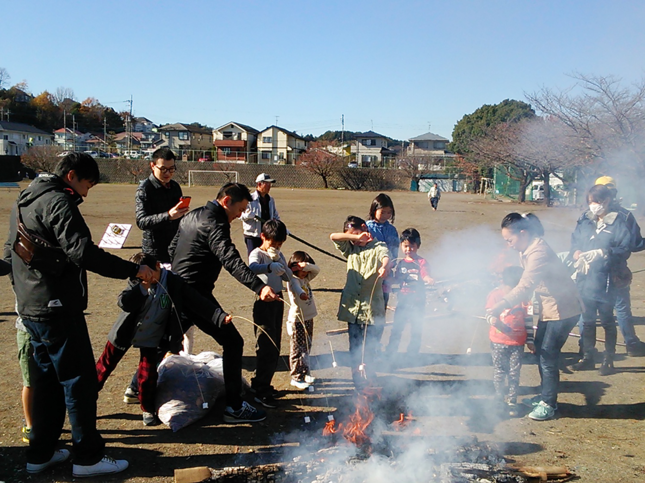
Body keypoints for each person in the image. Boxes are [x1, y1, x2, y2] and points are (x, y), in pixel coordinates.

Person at [4, 153, 155, 477]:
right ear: (72, 176)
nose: (86, 194)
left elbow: (9, 250)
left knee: (46, 382)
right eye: (87, 185)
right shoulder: (59, 201)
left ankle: (40, 452)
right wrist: (136, 269)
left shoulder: (25, 197)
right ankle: (87, 457)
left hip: (31, 307)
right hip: (57, 306)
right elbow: (83, 252)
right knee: (79, 382)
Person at [169, 182, 278, 423]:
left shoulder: (193, 215)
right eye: (239, 210)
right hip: (194, 293)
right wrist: (259, 287)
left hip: (177, 288)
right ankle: (235, 406)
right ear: (226, 200)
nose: (240, 216)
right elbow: (230, 259)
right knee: (233, 341)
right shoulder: (215, 223)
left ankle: (137, 389)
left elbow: (172, 248)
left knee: (164, 339)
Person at [95, 253, 231, 426]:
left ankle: (147, 408)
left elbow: (197, 301)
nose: (148, 278)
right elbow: (124, 302)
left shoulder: (173, 282)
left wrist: (219, 316)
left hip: (153, 334)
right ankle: (87, 399)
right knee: (104, 366)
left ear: (158, 266)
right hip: (126, 331)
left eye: (149, 274)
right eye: (141, 275)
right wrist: (142, 287)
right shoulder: (137, 281)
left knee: (148, 374)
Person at [488, 213, 581, 421]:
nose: (509, 244)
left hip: (564, 309)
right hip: (550, 308)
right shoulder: (527, 249)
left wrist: (501, 304)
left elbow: (525, 286)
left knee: (548, 355)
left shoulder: (538, 251)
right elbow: (523, 277)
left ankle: (549, 403)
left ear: (523, 233)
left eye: (509, 240)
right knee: (540, 350)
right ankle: (546, 395)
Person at [128, 147, 192, 405]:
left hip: (173, 253)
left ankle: (168, 368)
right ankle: (138, 385)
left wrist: (179, 222)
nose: (167, 173)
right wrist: (168, 215)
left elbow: (177, 222)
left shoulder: (174, 187)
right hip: (153, 258)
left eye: (172, 169)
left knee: (173, 317)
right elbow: (141, 221)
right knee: (156, 320)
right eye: (163, 169)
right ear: (152, 166)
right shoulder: (144, 189)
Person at [569, 184, 631, 375]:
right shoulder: (585, 220)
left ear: (606, 201)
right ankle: (588, 357)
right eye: (590, 202)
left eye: (595, 202)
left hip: (607, 281)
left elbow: (625, 249)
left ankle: (608, 359)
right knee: (587, 321)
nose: (592, 206)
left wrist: (604, 252)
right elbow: (575, 242)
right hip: (585, 279)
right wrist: (576, 253)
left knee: (606, 320)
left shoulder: (618, 222)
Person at [248, 220, 306, 406]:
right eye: (274, 244)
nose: (277, 247)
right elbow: (252, 268)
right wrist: (269, 267)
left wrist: (293, 280)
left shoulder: (278, 256)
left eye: (280, 245)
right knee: (265, 345)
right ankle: (259, 389)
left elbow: (288, 275)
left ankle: (265, 384)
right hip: (263, 302)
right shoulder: (258, 253)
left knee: (275, 346)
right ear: (263, 237)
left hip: (277, 301)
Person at [331, 216, 390, 391]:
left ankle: (370, 378)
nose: (354, 240)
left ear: (364, 227)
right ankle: (358, 380)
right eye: (350, 237)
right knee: (355, 346)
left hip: (371, 308)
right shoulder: (351, 248)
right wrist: (355, 238)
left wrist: (384, 267)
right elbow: (333, 237)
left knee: (370, 346)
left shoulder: (378, 246)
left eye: (356, 233)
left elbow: (385, 256)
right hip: (353, 308)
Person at [594, 176, 645, 357]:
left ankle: (586, 349)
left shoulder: (587, 215)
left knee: (589, 309)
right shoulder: (624, 215)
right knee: (621, 307)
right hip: (616, 270)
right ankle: (631, 343)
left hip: (592, 271)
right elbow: (635, 243)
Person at [485, 266, 533, 417]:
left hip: (517, 343)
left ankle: (512, 401)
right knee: (499, 372)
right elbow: (487, 313)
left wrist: (530, 340)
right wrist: (493, 320)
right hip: (498, 341)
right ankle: (499, 400)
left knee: (514, 373)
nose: (511, 291)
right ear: (503, 282)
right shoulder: (495, 295)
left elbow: (529, 320)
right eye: (509, 287)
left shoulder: (524, 299)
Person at [386, 228, 434, 355]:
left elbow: (425, 274)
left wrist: (427, 278)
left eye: (412, 246)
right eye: (406, 246)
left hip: (417, 302)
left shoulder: (421, 262)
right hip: (402, 302)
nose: (408, 250)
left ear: (417, 246)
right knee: (397, 327)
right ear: (401, 246)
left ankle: (412, 353)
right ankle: (391, 351)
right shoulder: (400, 263)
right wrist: (388, 279)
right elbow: (396, 279)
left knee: (416, 328)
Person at [286, 250, 320, 390]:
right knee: (297, 348)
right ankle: (296, 376)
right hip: (297, 319)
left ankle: (305, 372)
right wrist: (301, 295)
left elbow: (317, 270)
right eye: (301, 270)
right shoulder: (293, 279)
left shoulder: (306, 277)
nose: (305, 273)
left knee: (307, 346)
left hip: (308, 317)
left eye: (306, 270)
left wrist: (305, 266)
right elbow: (297, 289)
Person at [241, 173, 281, 255]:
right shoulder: (250, 199)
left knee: (266, 258)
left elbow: (275, 215)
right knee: (254, 259)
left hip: (266, 235)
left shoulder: (270, 200)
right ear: (259, 184)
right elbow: (241, 215)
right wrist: (247, 216)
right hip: (252, 235)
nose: (269, 186)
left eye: (270, 184)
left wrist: (280, 227)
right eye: (267, 184)